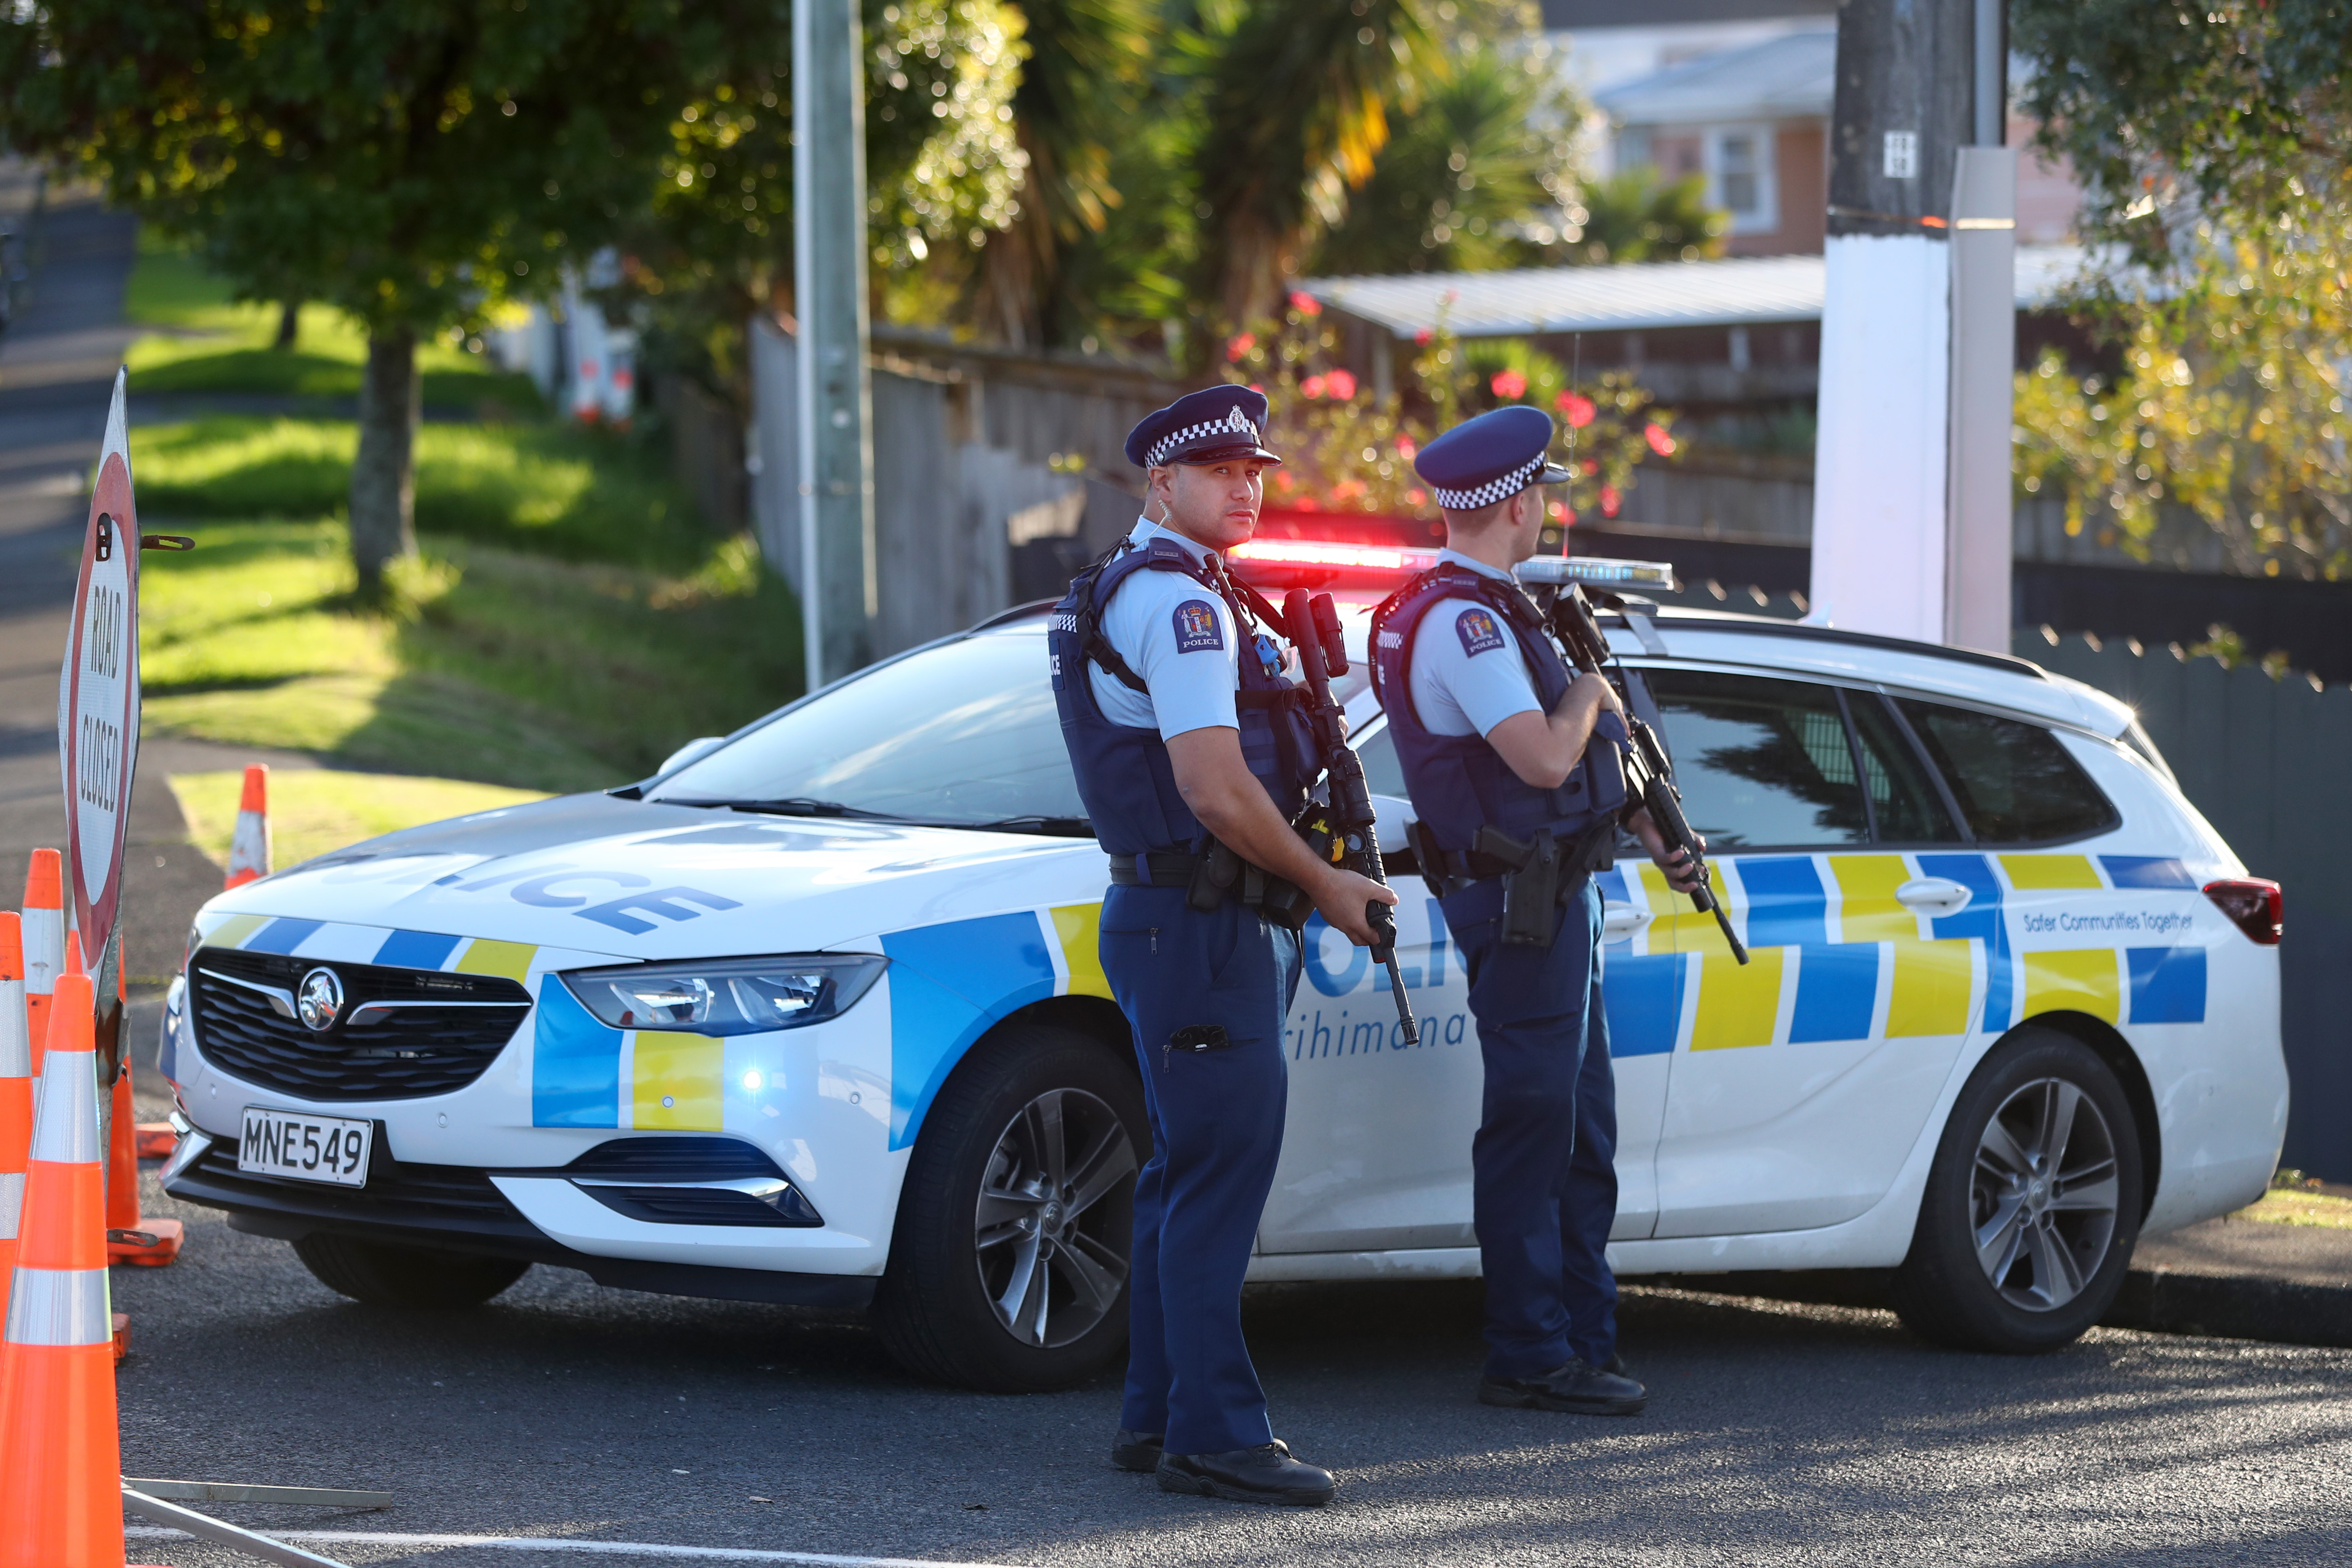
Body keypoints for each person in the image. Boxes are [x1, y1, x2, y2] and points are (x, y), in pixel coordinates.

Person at [1048, 385, 1395, 1506]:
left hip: (1183, 921)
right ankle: (1216, 1434)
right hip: (1199, 922)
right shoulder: (1178, 604)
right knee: (1215, 1180)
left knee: (1180, 1176)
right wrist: (1327, 881)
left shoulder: (1183, 589)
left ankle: (1156, 1418)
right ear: (1163, 482)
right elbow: (1211, 784)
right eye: (1220, 471)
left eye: (1256, 469)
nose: (1246, 485)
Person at [1368, 405, 1701, 1415]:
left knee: (1577, 1125)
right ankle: (1527, 1347)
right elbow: (1544, 756)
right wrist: (1593, 694)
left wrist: (1655, 833)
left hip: (1557, 897)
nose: (1546, 508)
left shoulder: (1503, 608)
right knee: (1533, 1126)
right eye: (1542, 494)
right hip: (1520, 904)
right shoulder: (1465, 623)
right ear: (1516, 502)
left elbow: (1587, 778)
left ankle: (1578, 1338)